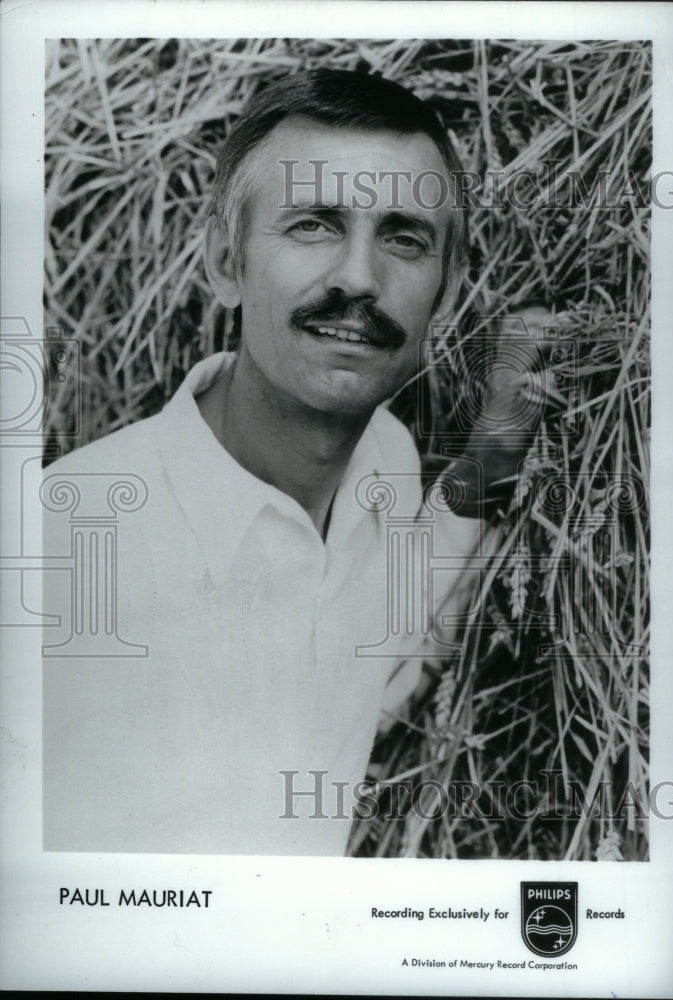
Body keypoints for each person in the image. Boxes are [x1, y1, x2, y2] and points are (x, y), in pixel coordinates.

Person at [42, 69, 547, 855]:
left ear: (443, 296)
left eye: (403, 237)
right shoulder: (61, 550)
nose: (356, 277)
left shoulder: (385, 458)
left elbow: (385, 647)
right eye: (312, 224)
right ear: (223, 263)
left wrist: (501, 434)